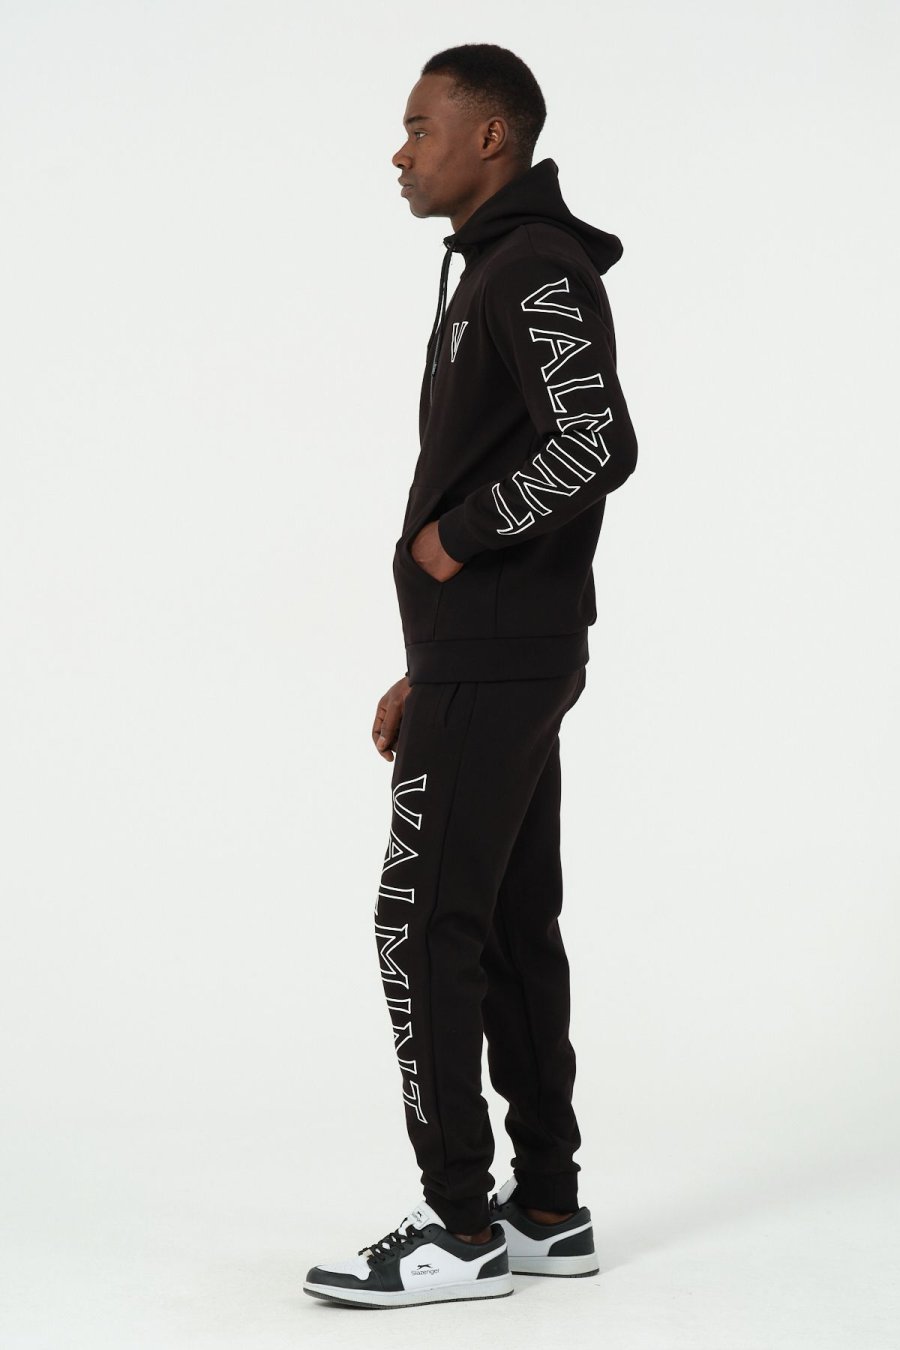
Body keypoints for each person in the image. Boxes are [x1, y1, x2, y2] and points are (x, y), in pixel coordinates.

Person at [304, 42, 638, 1310]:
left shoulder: (532, 265)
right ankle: (545, 1210)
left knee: (419, 924)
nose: (401, 153)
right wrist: (428, 663)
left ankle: (457, 1227)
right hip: (490, 656)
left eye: (419, 127)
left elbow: (595, 440)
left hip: (502, 655)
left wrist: (460, 537)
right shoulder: (496, 269)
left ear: (491, 136)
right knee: (502, 919)